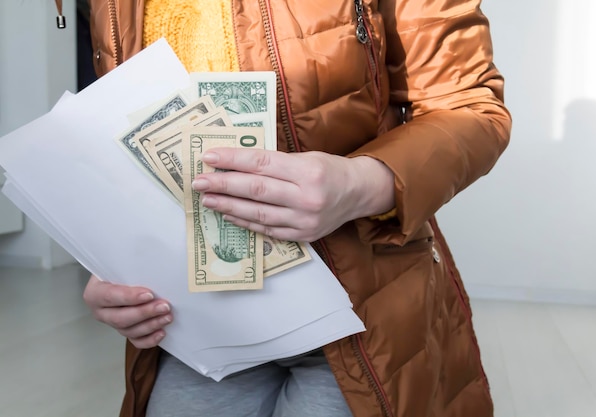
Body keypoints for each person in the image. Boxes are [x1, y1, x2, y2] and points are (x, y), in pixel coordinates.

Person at [82, 0, 512, 416]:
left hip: (362, 305)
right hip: (194, 316)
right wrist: (118, 259)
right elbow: (131, 129)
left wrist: (358, 183)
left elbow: (469, 109)